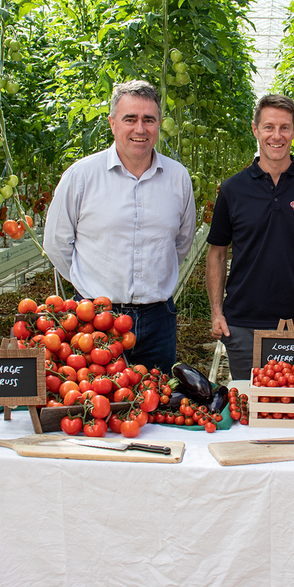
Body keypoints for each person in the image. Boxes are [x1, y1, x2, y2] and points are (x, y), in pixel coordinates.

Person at [43, 80, 195, 374]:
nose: (140, 129)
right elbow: (56, 243)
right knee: (96, 406)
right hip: (95, 319)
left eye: (148, 120)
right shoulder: (81, 176)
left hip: (158, 318)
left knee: (157, 407)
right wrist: (87, 287)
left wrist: (155, 279)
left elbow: (181, 241)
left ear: (159, 124)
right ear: (113, 124)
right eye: (130, 119)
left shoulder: (178, 177)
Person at [206, 94, 294, 381]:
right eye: (269, 127)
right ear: (255, 129)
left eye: (285, 127)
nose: (277, 135)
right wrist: (217, 312)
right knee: (247, 412)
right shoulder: (233, 190)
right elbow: (217, 253)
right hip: (243, 325)